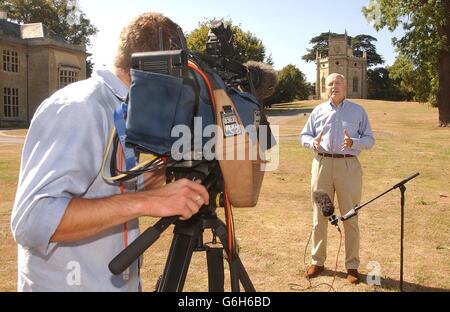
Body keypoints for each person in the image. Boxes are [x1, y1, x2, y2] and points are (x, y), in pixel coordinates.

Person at [10, 12, 209, 292]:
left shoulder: (128, 110)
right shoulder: (80, 108)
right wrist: (148, 201)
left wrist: (176, 168)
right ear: (156, 69)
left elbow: (115, 190)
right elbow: (32, 221)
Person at [300, 73, 375, 284]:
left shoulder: (358, 111)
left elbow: (370, 140)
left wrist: (354, 143)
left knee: (350, 215)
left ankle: (352, 266)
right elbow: (304, 136)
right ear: (326, 87)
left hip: (348, 167)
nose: (334, 86)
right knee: (320, 214)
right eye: (330, 83)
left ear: (346, 86)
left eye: (339, 83)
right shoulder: (318, 111)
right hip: (322, 166)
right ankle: (318, 261)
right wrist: (311, 142)